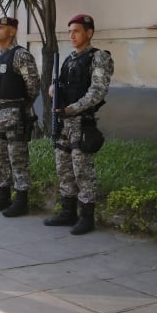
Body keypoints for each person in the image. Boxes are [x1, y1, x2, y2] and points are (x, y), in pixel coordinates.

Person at [45, 14, 114, 235]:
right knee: (63, 168)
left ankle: (87, 217)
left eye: (76, 31)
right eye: (70, 32)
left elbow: (97, 91)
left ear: (89, 33)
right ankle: (67, 212)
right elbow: (61, 84)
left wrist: (72, 109)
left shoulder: (99, 57)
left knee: (82, 171)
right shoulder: (69, 58)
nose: (71, 36)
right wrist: (53, 89)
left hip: (81, 122)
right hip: (64, 123)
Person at [0, 16, 40, 217]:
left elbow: (33, 85)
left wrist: (22, 107)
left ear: (12, 31)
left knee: (17, 158)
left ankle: (21, 199)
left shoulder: (20, 55)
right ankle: (2, 195)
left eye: (1, 27)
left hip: (14, 113)